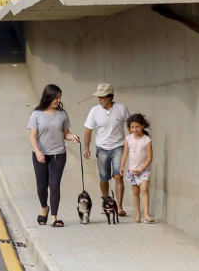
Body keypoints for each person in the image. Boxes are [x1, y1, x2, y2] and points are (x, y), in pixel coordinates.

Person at [28, 84, 81, 228]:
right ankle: (44, 207)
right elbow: (32, 136)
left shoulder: (62, 114)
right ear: (48, 97)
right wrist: (38, 152)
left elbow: (66, 134)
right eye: (56, 98)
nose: (59, 100)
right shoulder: (36, 114)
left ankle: (54, 218)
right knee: (41, 187)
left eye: (59, 97)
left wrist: (72, 137)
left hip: (58, 154)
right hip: (40, 155)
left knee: (54, 184)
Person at [83, 84, 130, 216]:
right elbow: (88, 131)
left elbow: (130, 125)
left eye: (102, 97)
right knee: (104, 178)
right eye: (98, 97)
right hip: (102, 148)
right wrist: (87, 148)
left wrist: (134, 142)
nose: (99, 99)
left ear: (110, 97)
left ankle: (119, 207)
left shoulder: (121, 108)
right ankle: (107, 203)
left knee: (118, 176)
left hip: (118, 147)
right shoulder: (94, 111)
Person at [121, 113, 155, 223]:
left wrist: (142, 168)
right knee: (135, 192)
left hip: (144, 170)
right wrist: (122, 166)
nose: (134, 129)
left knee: (144, 189)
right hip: (132, 170)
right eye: (132, 127)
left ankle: (146, 214)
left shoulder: (147, 140)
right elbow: (125, 154)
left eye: (137, 127)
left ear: (142, 126)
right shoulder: (128, 139)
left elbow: (150, 158)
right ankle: (138, 215)